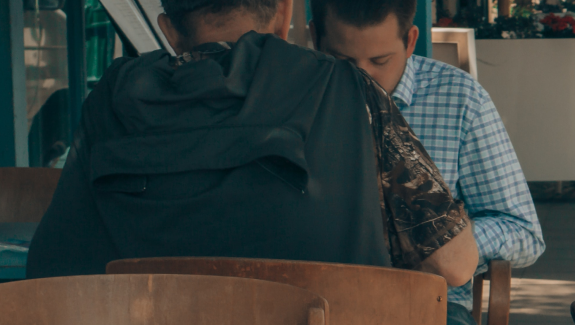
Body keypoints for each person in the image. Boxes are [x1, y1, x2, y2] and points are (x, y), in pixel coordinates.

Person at [27, 0, 478, 297]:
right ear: (284, 14)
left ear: (168, 30)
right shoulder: (346, 88)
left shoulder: (112, 98)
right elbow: (455, 263)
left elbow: (51, 271)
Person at [309, 0, 545, 325]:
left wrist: (440, 246)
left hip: (427, 300)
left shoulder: (458, 98)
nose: (362, 78)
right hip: (315, 296)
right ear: (314, 39)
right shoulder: (289, 94)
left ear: (411, 40)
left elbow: (522, 231)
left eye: (380, 60)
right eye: (343, 61)